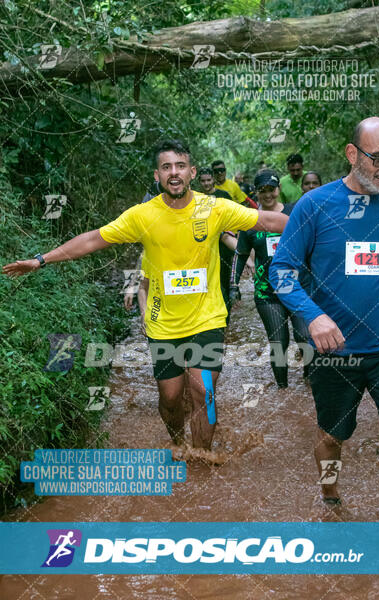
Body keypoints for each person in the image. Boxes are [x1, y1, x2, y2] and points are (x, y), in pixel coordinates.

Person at [3, 139, 288, 457]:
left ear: (192, 172)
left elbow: (269, 221)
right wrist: (41, 260)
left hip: (207, 317)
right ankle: (178, 443)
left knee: (203, 390)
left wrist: (320, 228)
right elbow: (93, 239)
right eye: (167, 167)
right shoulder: (143, 215)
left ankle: (203, 456)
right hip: (163, 323)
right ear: (158, 175)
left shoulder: (214, 208)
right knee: (170, 397)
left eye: (180, 166)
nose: (174, 173)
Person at [269, 117, 379, 505]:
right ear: (351, 154)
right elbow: (281, 270)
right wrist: (313, 315)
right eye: (378, 158)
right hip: (334, 353)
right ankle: (330, 495)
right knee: (332, 438)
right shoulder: (315, 205)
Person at [230, 169, 310, 388]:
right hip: (267, 292)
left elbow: (312, 245)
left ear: (279, 189)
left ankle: (309, 380)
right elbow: (240, 254)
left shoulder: (294, 214)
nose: (267, 195)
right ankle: (283, 388)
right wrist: (233, 285)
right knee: (279, 342)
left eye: (271, 189)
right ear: (256, 192)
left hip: (297, 287)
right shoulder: (250, 221)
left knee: (305, 336)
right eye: (262, 190)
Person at [197, 167, 253, 318]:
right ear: (199, 182)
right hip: (205, 248)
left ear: (213, 180)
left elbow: (233, 217)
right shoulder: (196, 198)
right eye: (203, 181)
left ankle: (226, 316)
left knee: (225, 279)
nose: (206, 183)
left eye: (209, 180)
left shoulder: (223, 196)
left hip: (225, 245)